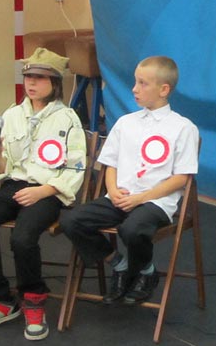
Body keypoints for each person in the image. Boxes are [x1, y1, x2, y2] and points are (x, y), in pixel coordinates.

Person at [0, 48, 86, 340]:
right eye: (28, 77)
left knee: (22, 238)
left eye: (40, 77)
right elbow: (2, 169)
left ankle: (33, 299)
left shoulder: (68, 118)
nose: (32, 83)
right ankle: (1, 298)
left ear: (54, 82)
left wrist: (43, 191)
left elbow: (75, 168)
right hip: (14, 185)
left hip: (48, 191)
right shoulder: (12, 115)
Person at [61, 55, 199, 306]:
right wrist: (112, 190)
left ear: (164, 89)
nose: (134, 89)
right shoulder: (126, 123)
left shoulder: (183, 128)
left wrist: (142, 198)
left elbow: (181, 177)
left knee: (132, 229)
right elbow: (110, 163)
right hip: (120, 197)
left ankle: (145, 271)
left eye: (143, 83)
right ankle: (119, 264)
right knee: (72, 220)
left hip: (155, 201)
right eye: (135, 82)